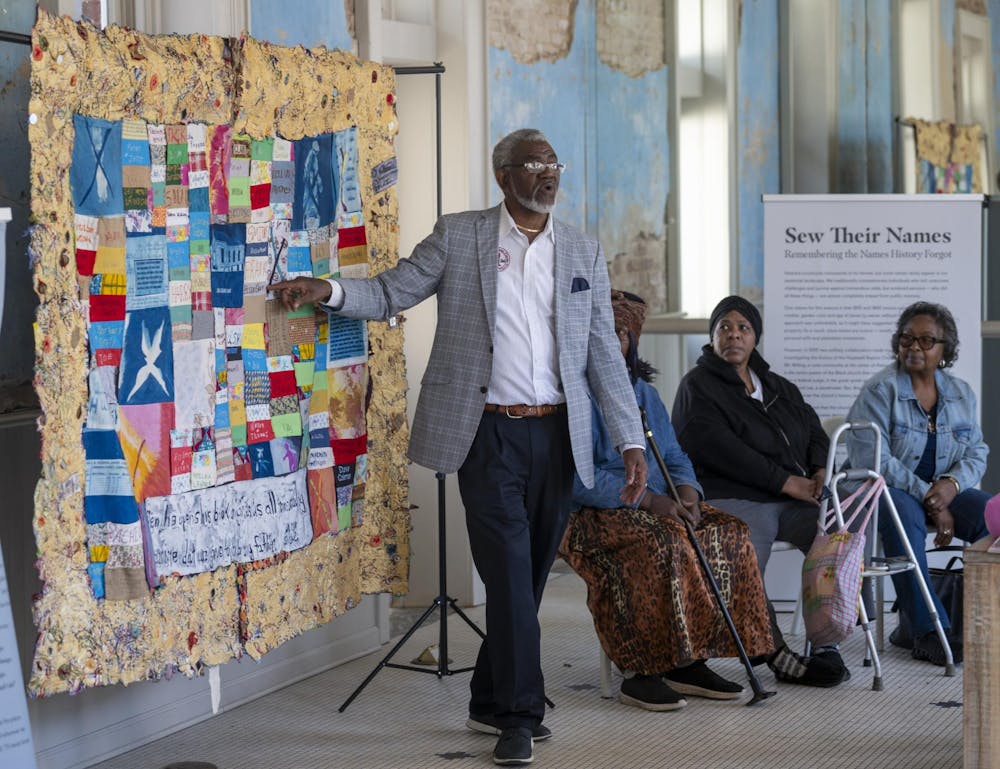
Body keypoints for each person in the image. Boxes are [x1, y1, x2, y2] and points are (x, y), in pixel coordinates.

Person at [272, 128, 647, 766]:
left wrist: (631, 440)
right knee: (504, 574)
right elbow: (395, 290)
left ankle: (485, 695)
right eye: (533, 164)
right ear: (503, 176)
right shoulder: (462, 234)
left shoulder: (582, 249)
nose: (547, 174)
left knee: (525, 582)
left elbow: (602, 355)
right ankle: (520, 716)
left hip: (557, 435)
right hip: (486, 433)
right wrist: (329, 291)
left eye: (553, 163)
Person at [561, 290, 774, 712]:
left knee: (730, 532)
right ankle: (642, 671)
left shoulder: (644, 394)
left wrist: (688, 492)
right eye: (600, 333)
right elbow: (575, 480)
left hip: (663, 505)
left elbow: (674, 456)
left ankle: (690, 659)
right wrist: (648, 501)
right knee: (661, 544)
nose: (610, 342)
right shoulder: (572, 397)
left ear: (632, 341)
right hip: (594, 513)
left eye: (619, 334)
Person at [671, 295, 849, 687]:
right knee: (743, 555)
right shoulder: (697, 386)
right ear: (713, 336)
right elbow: (717, 447)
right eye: (724, 327)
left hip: (791, 499)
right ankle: (772, 650)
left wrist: (820, 469)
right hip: (733, 497)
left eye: (743, 328)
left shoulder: (777, 386)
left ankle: (825, 644)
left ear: (755, 337)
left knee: (833, 538)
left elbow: (815, 431)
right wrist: (786, 481)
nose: (733, 334)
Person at [846, 301, 989, 666]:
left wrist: (952, 487)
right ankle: (928, 631)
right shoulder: (880, 391)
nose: (914, 347)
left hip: (941, 491)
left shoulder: (961, 393)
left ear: (946, 350)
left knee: (992, 517)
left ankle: (991, 623)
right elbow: (874, 462)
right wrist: (931, 498)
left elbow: (976, 452)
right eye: (907, 338)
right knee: (903, 514)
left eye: (927, 341)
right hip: (884, 489)